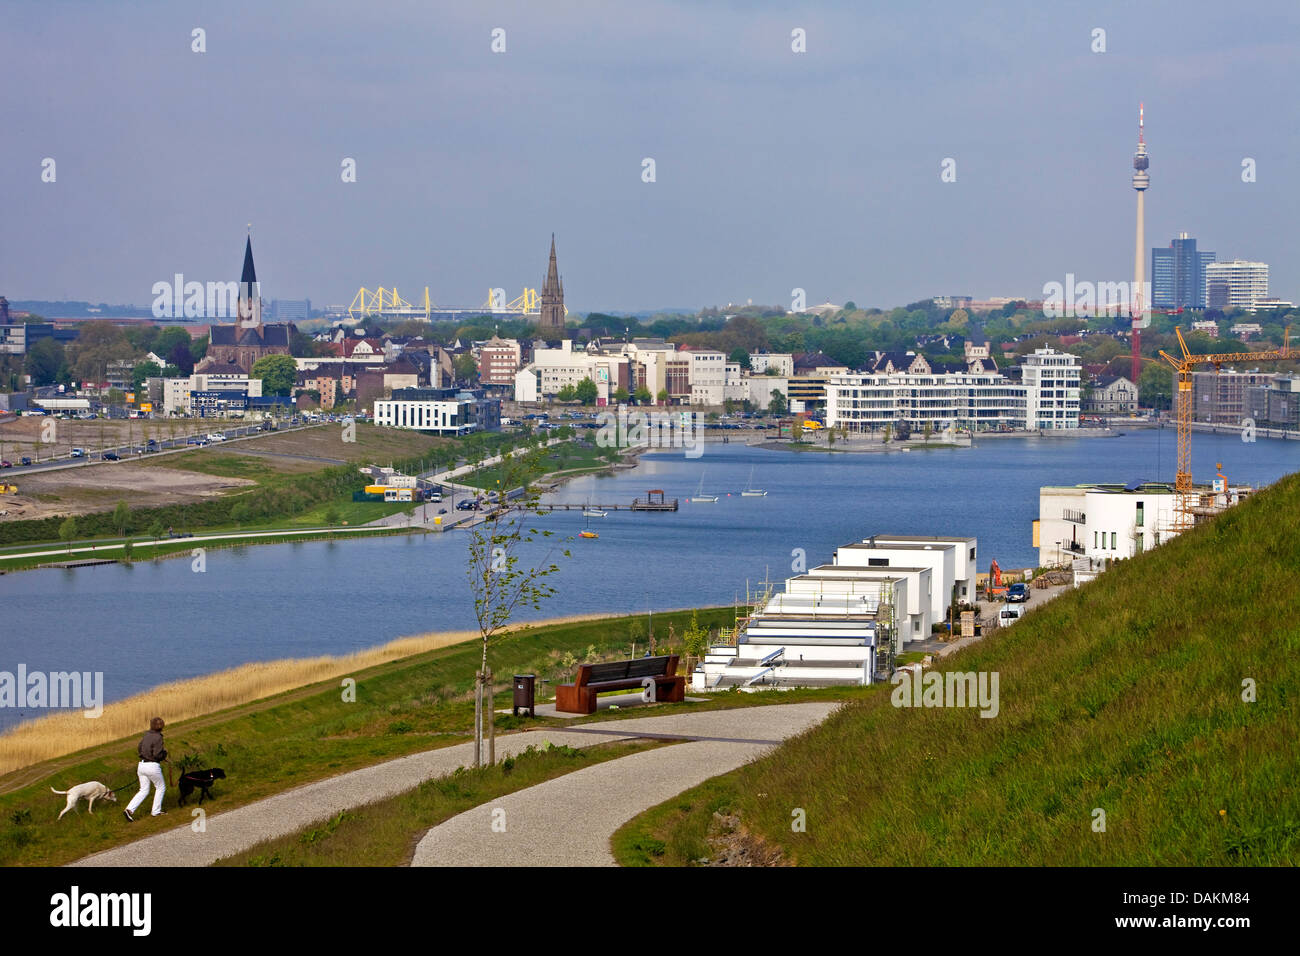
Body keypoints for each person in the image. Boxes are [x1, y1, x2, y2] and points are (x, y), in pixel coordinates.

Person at [124, 716, 168, 821]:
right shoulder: (158, 737)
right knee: (160, 787)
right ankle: (156, 811)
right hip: (152, 766)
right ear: (162, 726)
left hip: (142, 765)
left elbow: (139, 748)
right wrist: (164, 754)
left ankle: (129, 810)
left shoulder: (146, 735)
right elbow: (157, 754)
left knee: (143, 790)